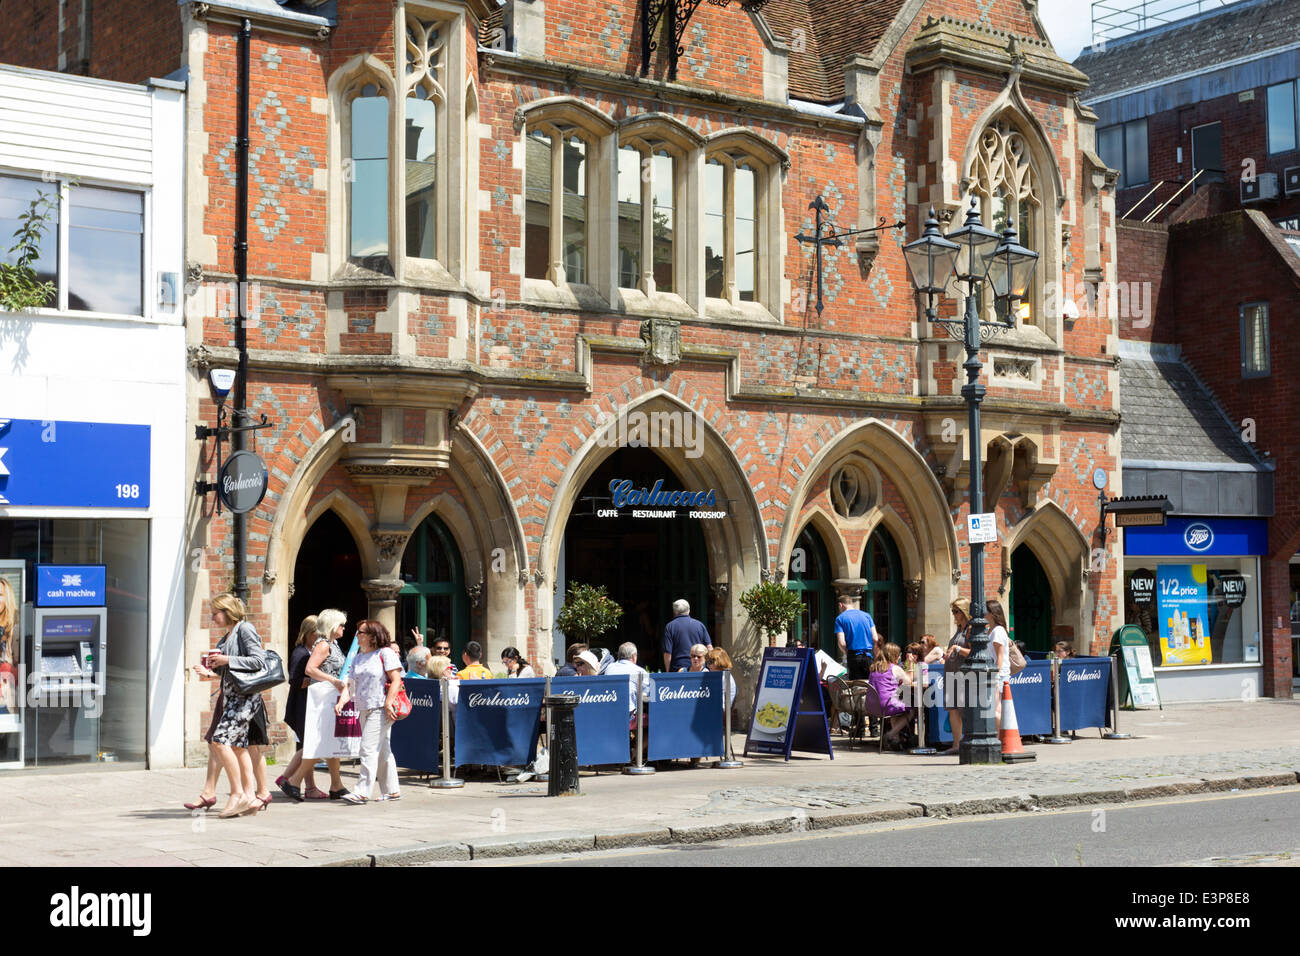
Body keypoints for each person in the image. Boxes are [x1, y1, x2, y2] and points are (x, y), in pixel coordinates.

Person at [200, 593, 268, 818]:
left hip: (245, 698)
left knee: (220, 741)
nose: (212, 618)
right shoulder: (227, 636)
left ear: (227, 612)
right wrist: (212, 668)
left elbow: (258, 661)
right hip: (232, 698)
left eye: (215, 614)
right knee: (238, 747)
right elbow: (228, 668)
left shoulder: (245, 629)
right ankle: (249, 797)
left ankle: (237, 793)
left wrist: (227, 660)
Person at [281, 608, 349, 801]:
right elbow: (310, 669)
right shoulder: (323, 645)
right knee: (319, 743)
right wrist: (333, 681)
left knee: (330, 743)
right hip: (322, 700)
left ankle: (336, 785)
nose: (344, 628)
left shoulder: (333, 644)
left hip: (329, 698)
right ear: (333, 626)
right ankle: (293, 781)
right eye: (341, 624)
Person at [337, 620, 402, 804]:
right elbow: (350, 684)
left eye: (361, 632)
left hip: (381, 707)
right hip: (363, 708)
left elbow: (396, 680)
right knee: (382, 750)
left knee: (367, 748)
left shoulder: (386, 653)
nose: (357, 635)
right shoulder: (358, 657)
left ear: (373, 636)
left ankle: (362, 791)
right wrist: (342, 701)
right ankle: (392, 790)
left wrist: (388, 703)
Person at [277, 615, 321, 801]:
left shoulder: (310, 651)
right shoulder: (301, 653)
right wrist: (316, 679)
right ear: (311, 633)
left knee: (308, 746)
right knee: (312, 746)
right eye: (319, 633)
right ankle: (287, 778)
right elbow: (294, 680)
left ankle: (309, 787)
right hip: (301, 707)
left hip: (309, 705)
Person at [868, 642, 914, 749]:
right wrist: (910, 665)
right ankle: (890, 735)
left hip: (872, 706)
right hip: (886, 705)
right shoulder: (894, 668)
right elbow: (908, 681)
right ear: (893, 655)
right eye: (898, 654)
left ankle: (895, 741)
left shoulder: (873, 667)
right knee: (911, 711)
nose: (899, 657)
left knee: (896, 710)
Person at [942, 599, 972, 756]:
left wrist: (957, 648)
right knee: (952, 709)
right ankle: (956, 744)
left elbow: (974, 652)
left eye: (956, 611)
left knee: (963, 710)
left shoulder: (971, 628)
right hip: (951, 672)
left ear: (964, 611)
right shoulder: (958, 629)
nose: (953, 614)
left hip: (963, 674)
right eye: (952, 611)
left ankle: (966, 742)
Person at [834, 594, 879, 680]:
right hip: (868, 655)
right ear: (852, 603)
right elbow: (875, 638)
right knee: (870, 685)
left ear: (841, 605)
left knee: (856, 687)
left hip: (853, 656)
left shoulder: (840, 619)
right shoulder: (867, 616)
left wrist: (847, 653)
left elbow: (841, 643)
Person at [663, 599, 712, 672]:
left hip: (678, 668)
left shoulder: (670, 627)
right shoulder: (700, 625)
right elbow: (709, 647)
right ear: (689, 610)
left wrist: (668, 672)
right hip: (699, 668)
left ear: (675, 612)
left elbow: (668, 653)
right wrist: (710, 667)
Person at [987, 599, 1011, 736]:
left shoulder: (998, 631)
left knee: (996, 709)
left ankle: (999, 738)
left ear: (992, 613)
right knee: (993, 708)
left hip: (998, 674)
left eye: (985, 611)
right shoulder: (990, 630)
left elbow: (1000, 656)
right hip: (993, 673)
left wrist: (996, 676)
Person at [606, 642, 649, 719]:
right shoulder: (639, 671)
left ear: (619, 655)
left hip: (610, 714)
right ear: (634, 657)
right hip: (629, 716)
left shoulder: (609, 668)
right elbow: (649, 696)